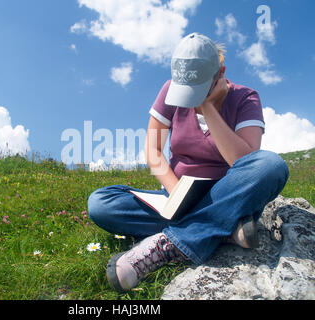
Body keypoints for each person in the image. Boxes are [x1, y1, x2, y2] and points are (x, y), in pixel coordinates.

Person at [87, 33, 290, 293]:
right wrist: (175, 194)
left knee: (270, 166)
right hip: (177, 194)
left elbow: (243, 161)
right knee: (101, 202)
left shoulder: (246, 98)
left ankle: (167, 245)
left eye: (199, 89)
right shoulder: (169, 90)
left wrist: (207, 106)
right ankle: (223, 229)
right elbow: (152, 150)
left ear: (221, 73)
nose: (190, 98)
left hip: (225, 196)